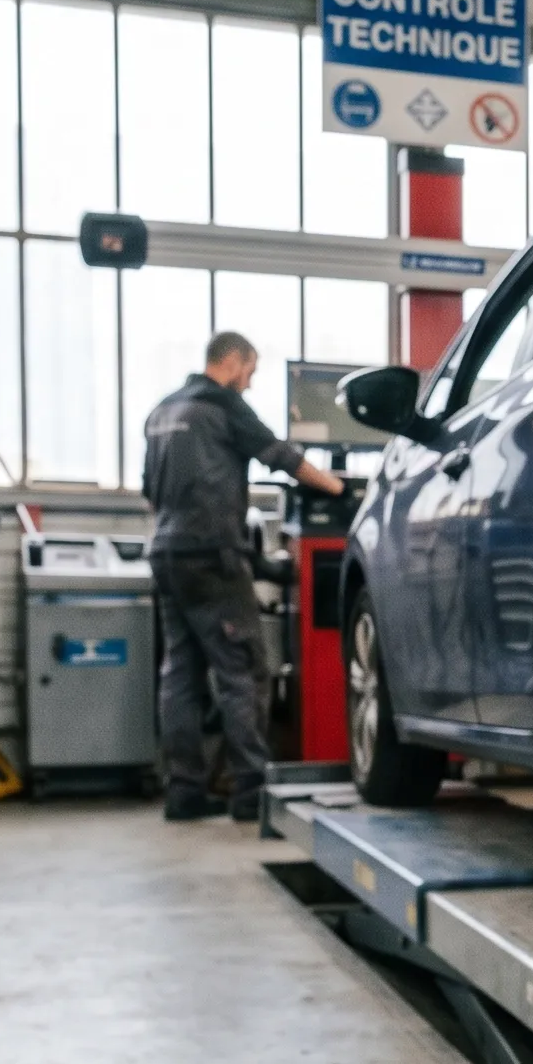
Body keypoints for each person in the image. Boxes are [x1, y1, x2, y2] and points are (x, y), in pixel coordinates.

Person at [141, 330, 346, 822]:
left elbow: (150, 491)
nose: (249, 385)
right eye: (250, 373)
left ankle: (184, 792)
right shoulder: (221, 404)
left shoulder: (162, 411)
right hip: (214, 558)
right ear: (232, 362)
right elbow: (281, 456)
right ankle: (251, 792)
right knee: (242, 672)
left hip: (167, 554)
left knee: (180, 676)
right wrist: (340, 489)